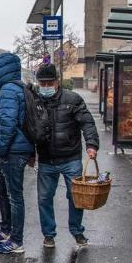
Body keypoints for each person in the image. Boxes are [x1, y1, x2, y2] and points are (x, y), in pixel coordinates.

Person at [33, 63, 99, 248]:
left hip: (71, 159)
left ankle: (77, 231)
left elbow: (87, 123)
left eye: (49, 82)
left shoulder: (73, 99)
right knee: (44, 198)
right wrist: (31, 153)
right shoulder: (36, 101)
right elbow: (29, 129)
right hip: (46, 159)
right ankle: (48, 235)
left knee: (76, 196)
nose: (45, 86)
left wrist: (92, 145)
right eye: (42, 83)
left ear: (57, 81)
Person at [0, 53, 36, 254]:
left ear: (1, 70)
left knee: (14, 195)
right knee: (0, 186)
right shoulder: (20, 87)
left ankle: (16, 240)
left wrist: (0, 147)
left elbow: (7, 122)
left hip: (13, 150)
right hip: (19, 148)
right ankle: (6, 230)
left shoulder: (8, 90)